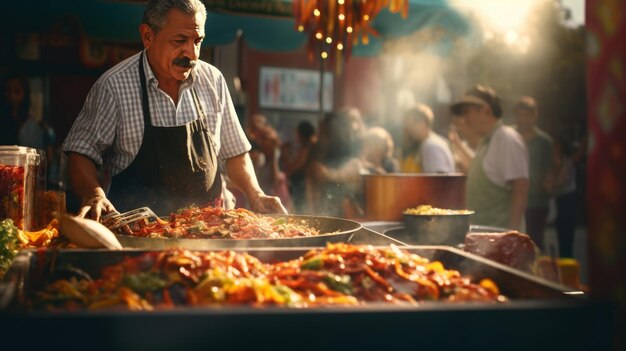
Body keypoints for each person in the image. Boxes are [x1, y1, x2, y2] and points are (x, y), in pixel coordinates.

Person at [62, 0, 286, 220]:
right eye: (180, 40)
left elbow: (235, 152)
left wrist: (255, 194)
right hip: (139, 236)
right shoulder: (114, 86)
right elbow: (81, 153)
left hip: (213, 231)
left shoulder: (213, 80)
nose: (191, 53)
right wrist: (94, 194)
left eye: (198, 41)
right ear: (148, 36)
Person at [450, 85, 529, 231]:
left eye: (467, 111)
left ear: (485, 110)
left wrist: (512, 234)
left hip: (501, 241)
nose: (464, 118)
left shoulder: (506, 139)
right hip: (485, 240)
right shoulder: (488, 142)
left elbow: (521, 187)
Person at [514, 96, 553, 250]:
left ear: (534, 115)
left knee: (535, 245)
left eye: (526, 115)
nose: (522, 119)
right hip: (512, 200)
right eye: (519, 115)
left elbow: (550, 172)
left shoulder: (544, 142)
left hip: (536, 203)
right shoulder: (508, 137)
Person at [545, 137, 577, 258]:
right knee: (558, 233)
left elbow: (562, 180)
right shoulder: (552, 163)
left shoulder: (567, 162)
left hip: (568, 200)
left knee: (566, 234)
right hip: (557, 201)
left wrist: (549, 184)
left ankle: (566, 258)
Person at [400, 103, 455, 173]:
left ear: (422, 122)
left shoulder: (431, 146)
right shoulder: (428, 143)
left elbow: (438, 179)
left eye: (411, 124)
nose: (408, 129)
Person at [280, 120, 317, 213]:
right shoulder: (307, 148)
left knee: (302, 211)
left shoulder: (306, 150)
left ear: (300, 134)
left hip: (302, 186)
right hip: (301, 185)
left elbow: (291, 169)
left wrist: (285, 154)